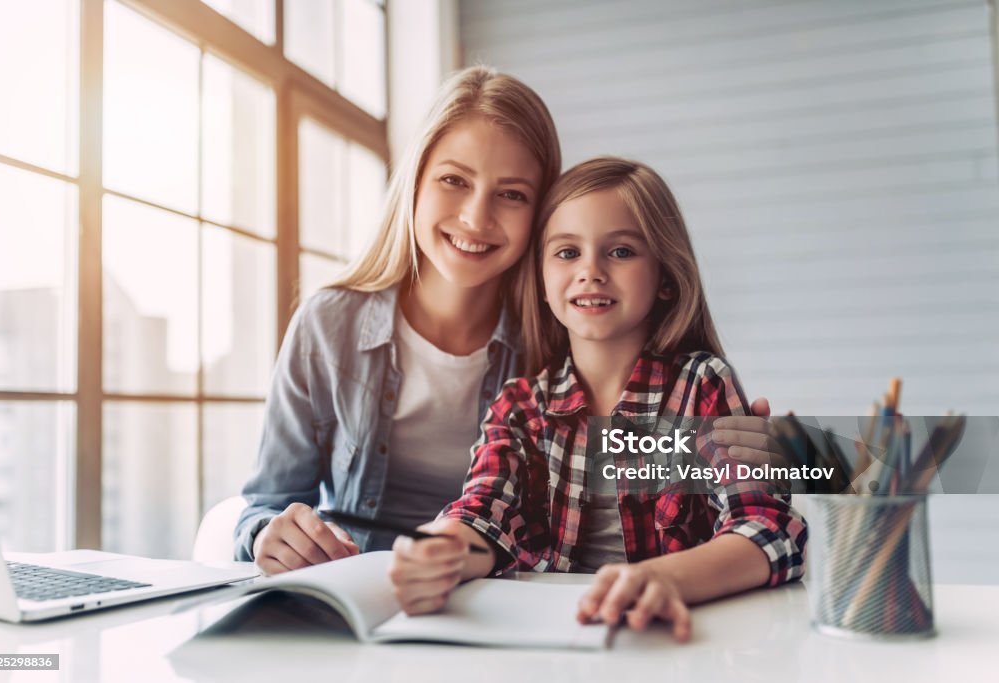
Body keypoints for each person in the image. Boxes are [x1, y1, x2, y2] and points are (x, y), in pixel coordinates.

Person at [234, 67, 781, 576]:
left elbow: (744, 506)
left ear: (540, 215)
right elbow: (265, 504)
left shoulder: (556, 343)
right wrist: (268, 534)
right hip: (359, 581)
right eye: (454, 180)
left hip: (496, 588)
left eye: (512, 194)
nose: (476, 217)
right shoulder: (331, 326)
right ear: (416, 181)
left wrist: (788, 458)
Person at [388, 157, 807, 642]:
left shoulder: (701, 386)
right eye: (567, 253)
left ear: (666, 277)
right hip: (548, 644)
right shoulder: (519, 407)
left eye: (622, 251)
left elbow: (766, 527)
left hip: (674, 641)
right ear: (542, 281)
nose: (591, 271)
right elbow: (485, 515)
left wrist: (665, 578)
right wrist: (444, 549)